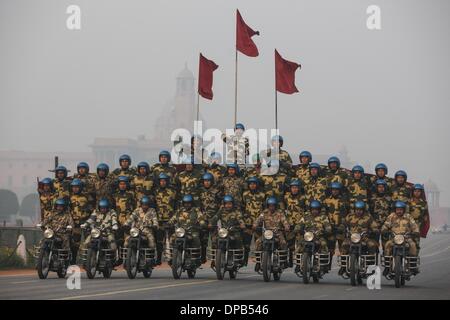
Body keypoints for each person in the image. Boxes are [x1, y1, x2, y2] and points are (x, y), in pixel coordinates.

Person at [339, 201, 379, 275]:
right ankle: (343, 265)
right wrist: (341, 228)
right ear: (354, 209)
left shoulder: (368, 217)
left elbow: (374, 226)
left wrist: (374, 230)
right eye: (357, 209)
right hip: (352, 238)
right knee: (344, 244)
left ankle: (370, 265)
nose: (358, 211)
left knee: (372, 245)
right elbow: (343, 224)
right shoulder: (350, 216)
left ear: (363, 210)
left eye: (360, 210)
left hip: (364, 238)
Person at [382, 201, 420, 275]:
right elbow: (385, 225)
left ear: (404, 210)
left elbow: (414, 226)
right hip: (394, 238)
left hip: (406, 238)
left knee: (413, 245)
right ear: (395, 209)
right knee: (387, 245)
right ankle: (387, 267)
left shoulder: (408, 216)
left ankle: (413, 265)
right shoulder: (391, 216)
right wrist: (384, 230)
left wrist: (416, 232)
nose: (399, 211)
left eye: (401, 209)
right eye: (397, 209)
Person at [253, 197, 290, 272]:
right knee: (257, 242)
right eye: (270, 205)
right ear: (268, 206)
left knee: (283, 243)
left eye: (273, 205)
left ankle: (284, 260)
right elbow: (258, 220)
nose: (271, 207)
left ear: (275, 206)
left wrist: (286, 226)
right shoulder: (264, 213)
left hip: (277, 233)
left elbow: (285, 221)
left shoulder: (280, 213)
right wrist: (255, 225)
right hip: (267, 233)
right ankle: (258, 262)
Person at [168, 194, 207, 264]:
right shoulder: (180, 210)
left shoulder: (196, 210)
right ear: (183, 203)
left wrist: (202, 224)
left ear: (191, 203)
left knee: (196, 238)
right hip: (181, 232)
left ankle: (196, 257)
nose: (187, 205)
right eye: (185, 203)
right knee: (172, 238)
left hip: (192, 231)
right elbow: (173, 219)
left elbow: (201, 219)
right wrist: (169, 223)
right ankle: (172, 257)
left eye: (188, 203)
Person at [294, 200, 331, 272]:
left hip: (318, 236)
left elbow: (327, 226)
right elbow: (299, 224)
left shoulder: (323, 217)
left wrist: (327, 230)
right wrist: (297, 228)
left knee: (324, 244)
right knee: (299, 246)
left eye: (316, 209)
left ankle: (323, 265)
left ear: (319, 210)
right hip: (307, 237)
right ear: (310, 209)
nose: (315, 211)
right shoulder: (306, 216)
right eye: (313, 209)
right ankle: (298, 264)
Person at [209, 195, 246, 267]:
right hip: (224, 232)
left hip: (234, 231)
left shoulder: (236, 212)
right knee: (214, 239)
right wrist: (210, 223)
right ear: (224, 204)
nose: (228, 205)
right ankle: (214, 259)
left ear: (232, 204)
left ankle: (238, 258)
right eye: (226, 203)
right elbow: (215, 218)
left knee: (238, 239)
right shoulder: (221, 211)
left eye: (230, 204)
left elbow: (240, 219)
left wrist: (242, 224)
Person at [198, 172, 223, 264]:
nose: (207, 183)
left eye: (208, 181)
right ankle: (203, 257)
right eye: (205, 181)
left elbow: (221, 206)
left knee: (215, 241)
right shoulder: (200, 191)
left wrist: (216, 217)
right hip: (203, 219)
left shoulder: (217, 192)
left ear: (211, 182)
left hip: (215, 219)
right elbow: (198, 206)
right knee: (203, 240)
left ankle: (214, 259)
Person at [154, 172, 178, 265]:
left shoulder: (173, 192)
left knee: (172, 239)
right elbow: (154, 205)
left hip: (170, 219)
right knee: (159, 240)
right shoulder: (155, 191)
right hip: (159, 219)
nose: (162, 183)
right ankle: (159, 258)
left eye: (164, 181)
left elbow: (176, 204)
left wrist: (175, 216)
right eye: (161, 181)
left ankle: (172, 258)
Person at [242, 177, 266, 266]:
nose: (252, 185)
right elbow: (243, 206)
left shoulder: (262, 195)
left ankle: (258, 263)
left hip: (258, 223)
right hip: (248, 222)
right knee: (246, 243)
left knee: (258, 244)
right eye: (251, 184)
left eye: (254, 184)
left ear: (257, 185)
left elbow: (264, 209)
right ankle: (244, 260)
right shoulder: (245, 194)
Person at [323, 182, 349, 267]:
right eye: (333, 190)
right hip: (330, 228)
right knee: (330, 249)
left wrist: (344, 224)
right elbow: (323, 214)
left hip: (341, 228)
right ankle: (327, 265)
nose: (334, 191)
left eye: (336, 190)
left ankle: (344, 267)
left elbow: (349, 214)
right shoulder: (326, 200)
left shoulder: (344, 201)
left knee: (344, 249)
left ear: (339, 191)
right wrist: (327, 225)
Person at [69, 178, 93, 264]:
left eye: (77, 187)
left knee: (88, 242)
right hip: (75, 223)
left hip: (86, 222)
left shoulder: (87, 196)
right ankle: (73, 260)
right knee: (75, 243)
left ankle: (87, 261)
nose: (75, 189)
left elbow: (91, 209)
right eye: (73, 187)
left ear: (81, 187)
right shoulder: (70, 197)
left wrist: (88, 219)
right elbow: (68, 210)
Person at [283, 179, 306, 266]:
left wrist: (303, 223)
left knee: (300, 245)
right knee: (290, 244)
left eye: (296, 187)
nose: (294, 189)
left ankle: (299, 265)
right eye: (293, 187)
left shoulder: (303, 198)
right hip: (289, 224)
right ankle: (289, 260)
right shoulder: (286, 197)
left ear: (299, 188)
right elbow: (282, 208)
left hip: (299, 224)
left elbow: (307, 211)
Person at [369, 179, 393, 249]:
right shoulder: (372, 199)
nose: (381, 189)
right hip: (375, 225)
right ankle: (373, 259)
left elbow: (391, 213)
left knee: (386, 246)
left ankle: (387, 259)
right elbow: (369, 213)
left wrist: (389, 224)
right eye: (379, 187)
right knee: (373, 246)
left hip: (386, 226)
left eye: (382, 187)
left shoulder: (389, 199)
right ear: (376, 188)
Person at [408, 184, 428, 253]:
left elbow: (425, 214)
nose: (417, 192)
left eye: (419, 191)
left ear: (421, 192)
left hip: (417, 227)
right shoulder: (408, 202)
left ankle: (414, 261)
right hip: (407, 226)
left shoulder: (424, 203)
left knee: (416, 245)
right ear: (413, 192)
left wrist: (425, 220)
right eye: (415, 191)